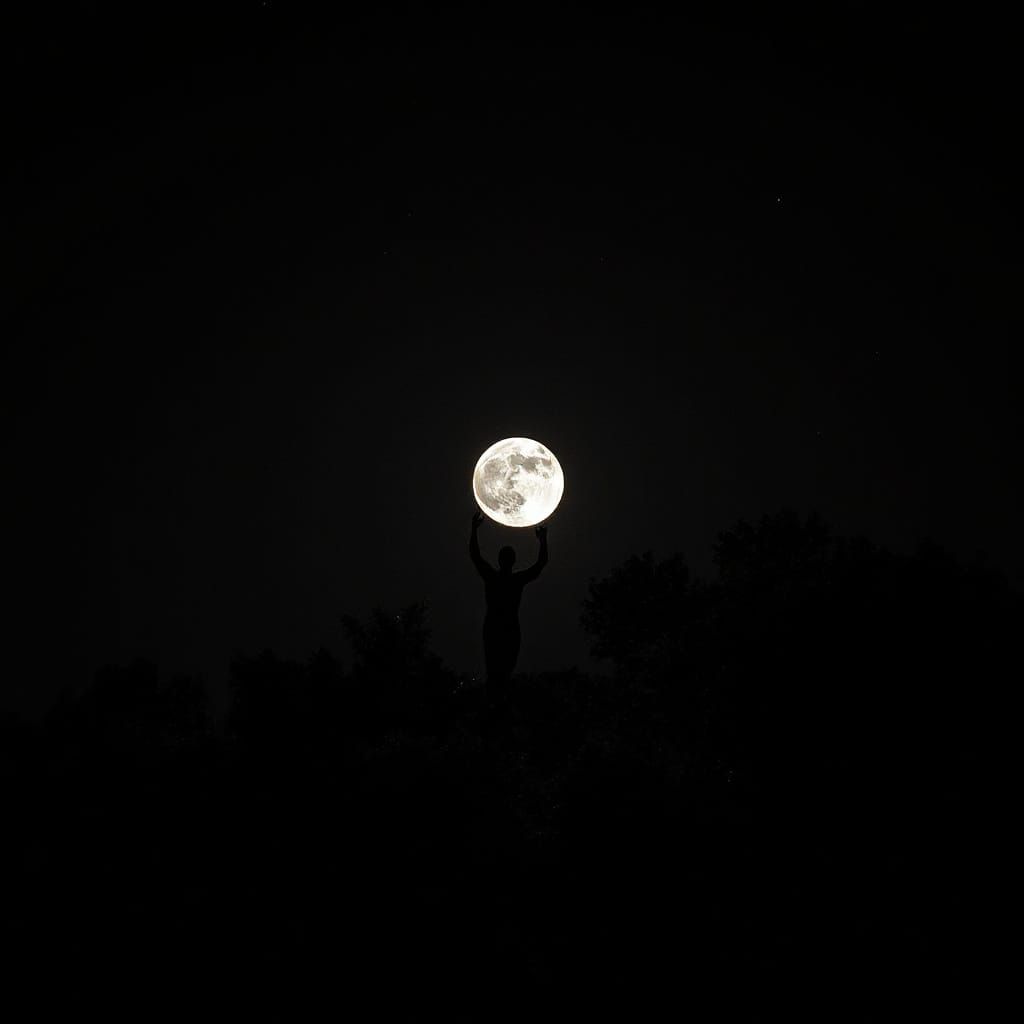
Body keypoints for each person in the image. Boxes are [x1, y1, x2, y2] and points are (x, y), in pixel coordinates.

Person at [469, 509, 548, 685]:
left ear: (500, 560)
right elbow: (540, 564)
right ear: (512, 560)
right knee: (500, 671)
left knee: (498, 671)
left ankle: (496, 701)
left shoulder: (494, 577)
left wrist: (474, 529)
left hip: (498, 626)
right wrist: (543, 540)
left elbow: (475, 556)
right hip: (505, 627)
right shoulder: (514, 580)